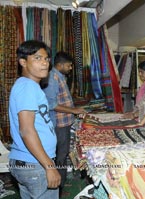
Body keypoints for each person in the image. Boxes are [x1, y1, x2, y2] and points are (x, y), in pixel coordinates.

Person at [8, 40, 61, 198]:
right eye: (37, 58)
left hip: (29, 162)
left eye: (46, 59)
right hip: (36, 164)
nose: (44, 63)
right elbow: (26, 130)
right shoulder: (28, 86)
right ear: (23, 62)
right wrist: (49, 166)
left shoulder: (27, 86)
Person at [43, 51, 87, 194]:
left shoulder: (59, 77)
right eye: (68, 65)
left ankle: (58, 185)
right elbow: (52, 105)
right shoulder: (53, 78)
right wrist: (74, 111)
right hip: (59, 125)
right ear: (60, 64)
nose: (70, 68)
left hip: (64, 123)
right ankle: (58, 188)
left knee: (62, 154)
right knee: (60, 156)